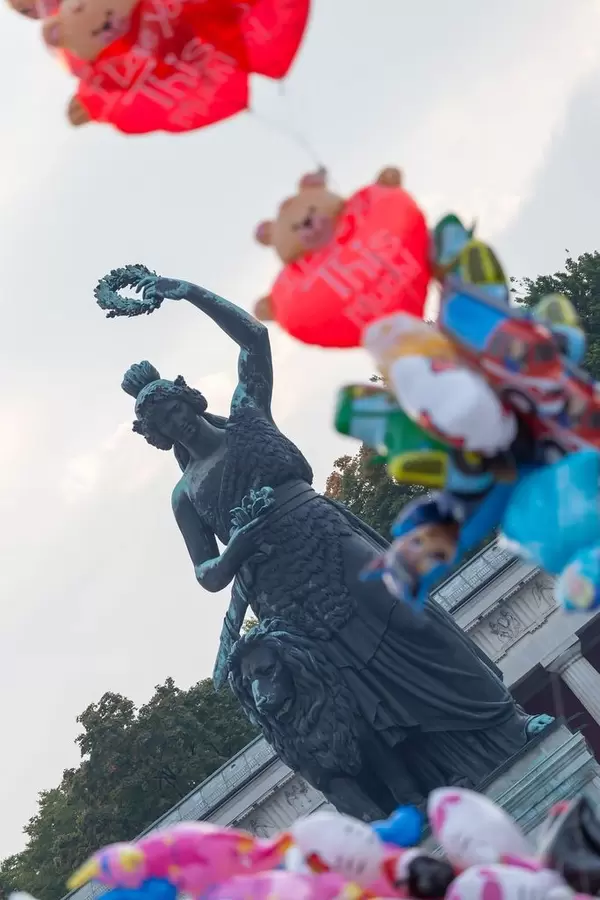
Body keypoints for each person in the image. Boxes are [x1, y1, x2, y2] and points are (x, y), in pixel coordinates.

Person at [109, 269, 536, 804]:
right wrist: (239, 542)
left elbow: (255, 338)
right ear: (158, 437)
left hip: (325, 537)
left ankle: (508, 723)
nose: (178, 424)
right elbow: (207, 574)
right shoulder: (185, 495)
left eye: (176, 409)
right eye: (165, 425)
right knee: (354, 687)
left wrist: (188, 291)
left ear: (191, 400)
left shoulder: (248, 416)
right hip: (278, 590)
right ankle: (435, 779)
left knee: (416, 621)